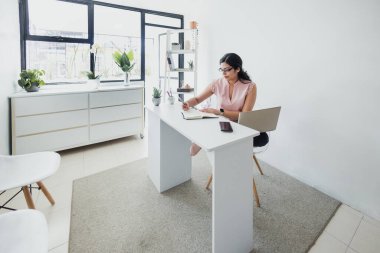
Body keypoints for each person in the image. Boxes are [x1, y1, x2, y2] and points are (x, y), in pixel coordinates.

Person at [183, 53, 268, 156]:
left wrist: (220, 112)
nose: (223, 73)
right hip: (220, 122)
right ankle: (222, 147)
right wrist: (187, 103)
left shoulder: (250, 86)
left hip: (239, 123)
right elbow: (197, 99)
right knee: (211, 137)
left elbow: (245, 115)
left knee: (263, 138)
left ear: (237, 69)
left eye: (227, 70)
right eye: (221, 70)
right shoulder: (217, 83)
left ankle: (218, 144)